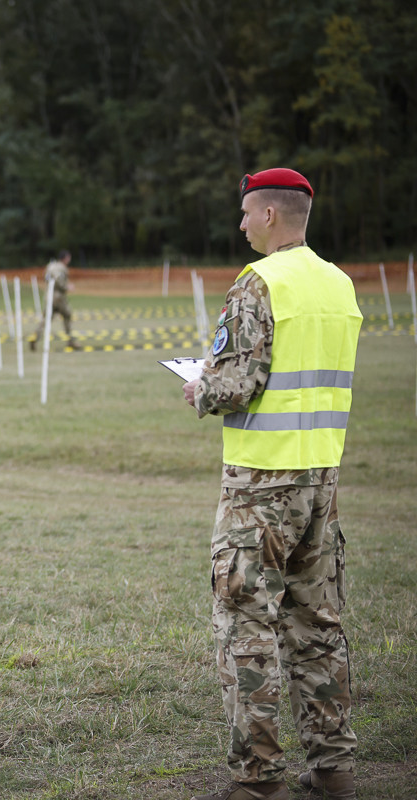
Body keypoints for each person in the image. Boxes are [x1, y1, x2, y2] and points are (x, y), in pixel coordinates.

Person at [183, 168, 360, 800]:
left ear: (268, 216)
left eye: (245, 213)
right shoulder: (339, 284)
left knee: (245, 628)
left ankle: (258, 780)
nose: (240, 225)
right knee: (317, 625)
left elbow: (238, 384)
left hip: (260, 484)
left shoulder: (258, 283)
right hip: (321, 479)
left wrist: (201, 385)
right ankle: (334, 769)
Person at [29, 249, 79, 350]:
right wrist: (66, 287)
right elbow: (59, 280)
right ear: (65, 258)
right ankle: (71, 341)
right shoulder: (61, 268)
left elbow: (46, 278)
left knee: (46, 319)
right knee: (67, 315)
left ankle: (36, 336)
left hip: (49, 296)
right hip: (58, 297)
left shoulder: (50, 266)